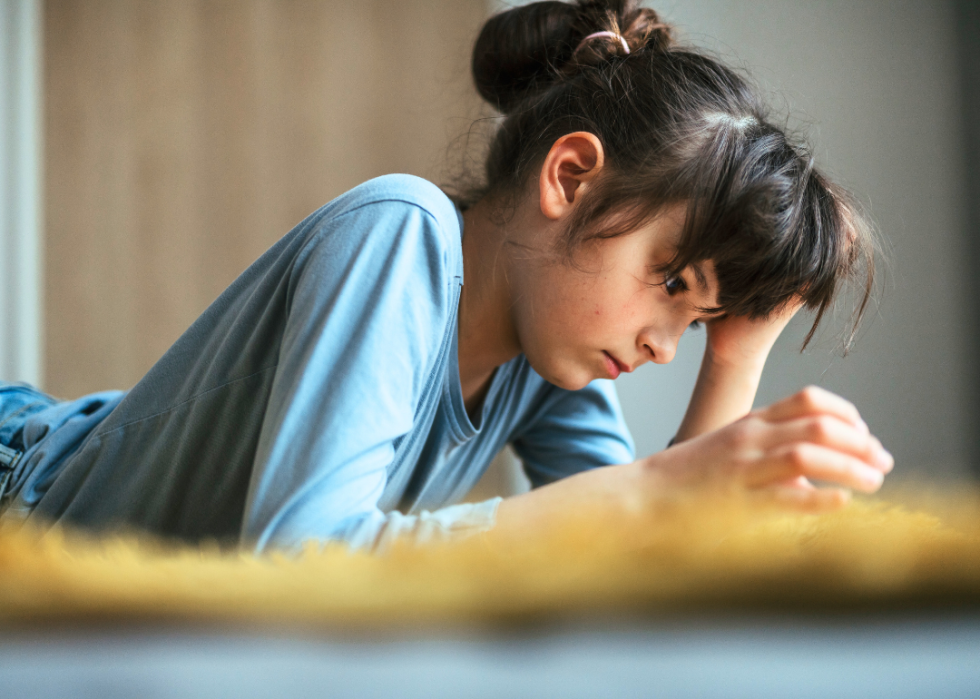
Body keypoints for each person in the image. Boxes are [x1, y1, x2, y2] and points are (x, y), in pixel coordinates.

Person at [0, 0, 891, 554]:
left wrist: (734, 362)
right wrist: (659, 488)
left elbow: (638, 567)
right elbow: (301, 553)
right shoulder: (402, 231)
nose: (665, 347)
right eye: (671, 283)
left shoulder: (555, 361)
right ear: (569, 177)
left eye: (696, 323)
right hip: (27, 477)